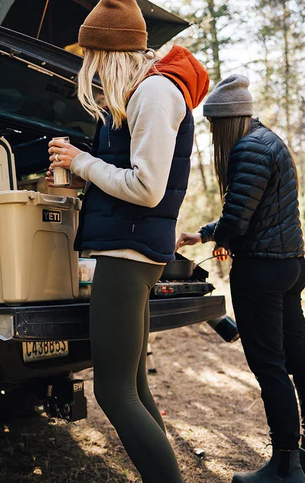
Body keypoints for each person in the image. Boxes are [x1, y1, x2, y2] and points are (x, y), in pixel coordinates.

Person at [47, 0, 209, 481]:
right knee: (133, 387)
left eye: (93, 60)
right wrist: (85, 175)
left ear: (109, 53)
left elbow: (146, 188)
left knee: (112, 391)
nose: (92, 72)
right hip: (133, 250)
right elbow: (131, 175)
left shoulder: (155, 92)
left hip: (129, 254)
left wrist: (81, 162)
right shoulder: (146, 90)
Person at [176, 74, 305, 483]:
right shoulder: (270, 141)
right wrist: (204, 235)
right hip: (290, 265)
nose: (215, 134)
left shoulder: (247, 148)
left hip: (261, 271)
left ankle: (285, 465)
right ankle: (301, 458)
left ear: (227, 120)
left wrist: (220, 236)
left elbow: (237, 218)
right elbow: (254, 211)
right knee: (298, 359)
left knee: (269, 366)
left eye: (215, 125)